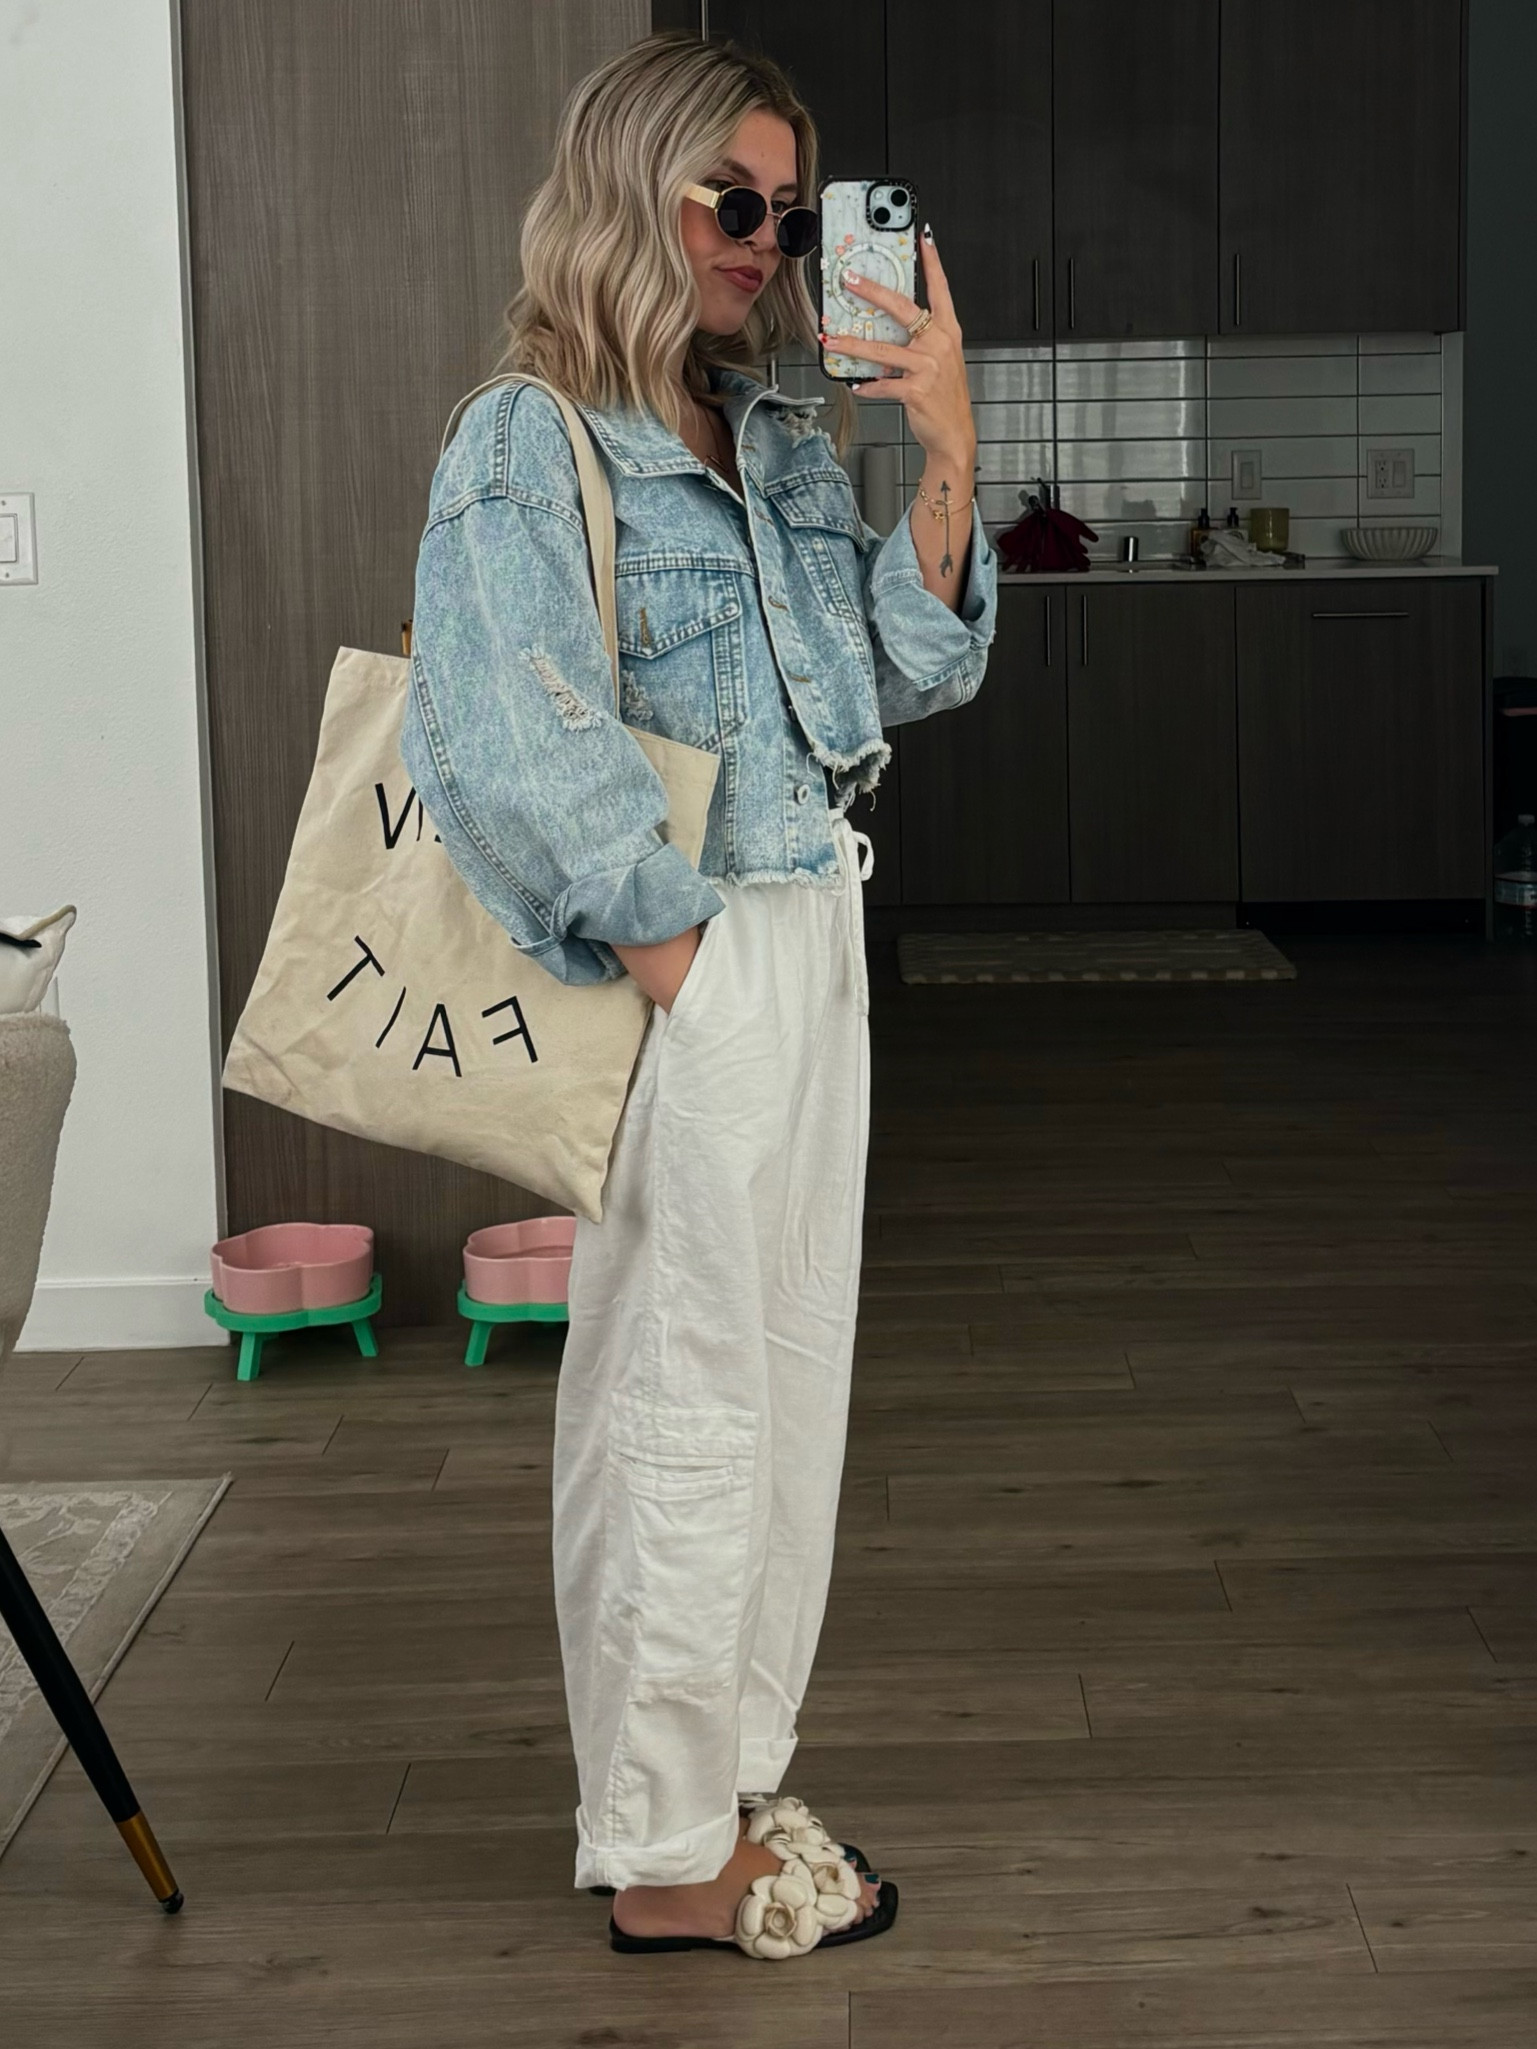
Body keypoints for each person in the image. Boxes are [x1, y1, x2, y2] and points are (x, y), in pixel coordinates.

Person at [404, 29, 995, 1960]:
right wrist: (677, 958)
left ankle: (718, 1782)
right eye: (728, 200)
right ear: (628, 191)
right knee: (679, 1399)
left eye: (790, 209)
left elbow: (901, 676)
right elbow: (506, 726)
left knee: (783, 1392)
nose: (765, 239)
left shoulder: (785, 439)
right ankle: (660, 1848)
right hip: (697, 952)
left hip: (811, 927)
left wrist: (948, 442)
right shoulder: (530, 434)